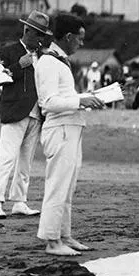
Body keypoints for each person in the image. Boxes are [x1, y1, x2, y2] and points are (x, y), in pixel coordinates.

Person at [35, 13, 106, 255]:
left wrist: (85, 100)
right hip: (60, 130)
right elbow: (48, 102)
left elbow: (63, 98)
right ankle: (52, 240)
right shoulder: (48, 62)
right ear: (68, 37)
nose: (82, 44)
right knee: (58, 185)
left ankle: (64, 234)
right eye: (80, 39)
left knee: (68, 186)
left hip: (71, 128)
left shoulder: (59, 61)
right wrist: (81, 99)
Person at [0, 10, 54, 219]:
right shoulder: (8, 51)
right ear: (27, 31)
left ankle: (19, 201)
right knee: (6, 158)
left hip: (36, 113)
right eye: (39, 35)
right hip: (15, 110)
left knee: (25, 161)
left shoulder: (43, 56)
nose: (41, 39)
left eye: (43, 36)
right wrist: (18, 66)